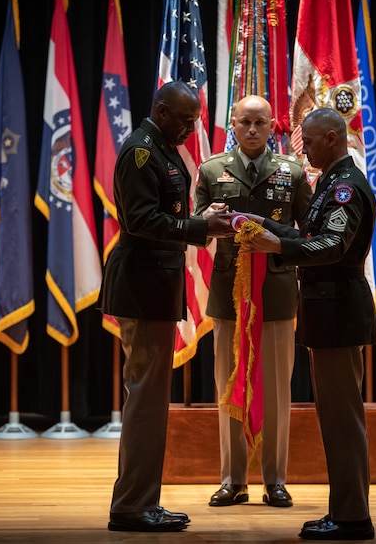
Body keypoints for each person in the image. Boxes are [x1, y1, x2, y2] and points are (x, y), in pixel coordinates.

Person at [237, 108, 376, 540]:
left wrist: (276, 243)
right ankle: (345, 511)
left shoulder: (344, 187)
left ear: (333, 139)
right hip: (327, 308)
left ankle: (352, 517)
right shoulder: (328, 183)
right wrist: (265, 225)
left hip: (339, 309)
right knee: (335, 419)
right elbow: (309, 234)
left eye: (311, 141)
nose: (305, 148)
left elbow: (332, 246)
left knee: (342, 420)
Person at [99, 81, 235, 533]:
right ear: (161, 110)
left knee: (152, 401)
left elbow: (168, 206)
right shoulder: (140, 151)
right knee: (145, 400)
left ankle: (141, 501)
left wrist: (200, 218)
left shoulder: (158, 146)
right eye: (184, 119)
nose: (191, 128)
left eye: (195, 119)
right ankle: (133, 505)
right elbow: (140, 220)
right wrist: (200, 227)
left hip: (155, 284)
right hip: (143, 284)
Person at [194, 95, 312, 508]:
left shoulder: (292, 171)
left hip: (277, 291)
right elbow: (196, 229)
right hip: (229, 292)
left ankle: (275, 479)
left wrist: (271, 235)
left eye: (260, 123)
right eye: (244, 122)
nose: (251, 130)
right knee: (228, 384)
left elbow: (307, 235)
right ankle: (233, 480)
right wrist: (210, 218)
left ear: (272, 125)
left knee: (277, 387)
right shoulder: (212, 170)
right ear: (233, 122)